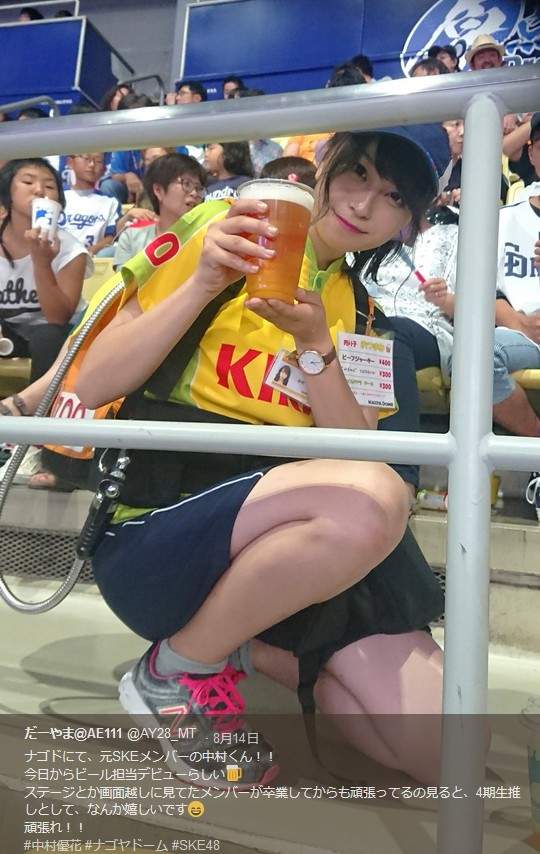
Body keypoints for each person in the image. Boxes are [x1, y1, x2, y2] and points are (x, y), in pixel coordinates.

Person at [66, 123, 450, 787]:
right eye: (358, 173)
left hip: (296, 554)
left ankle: (248, 648)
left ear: (408, 223)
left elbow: (360, 459)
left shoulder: (363, 318)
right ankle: (175, 671)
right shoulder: (226, 228)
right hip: (162, 529)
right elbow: (93, 383)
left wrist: (316, 345)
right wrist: (201, 281)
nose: (364, 204)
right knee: (371, 501)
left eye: (393, 197)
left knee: (442, 750)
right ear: (324, 163)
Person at [0, 158, 90, 382]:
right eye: (28, 182)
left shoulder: (71, 249)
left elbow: (58, 318)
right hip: (8, 336)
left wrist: (42, 263)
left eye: (49, 186)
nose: (39, 190)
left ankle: (38, 404)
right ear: (7, 192)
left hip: (59, 337)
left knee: (47, 336)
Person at [114, 153, 206, 268]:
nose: (194, 193)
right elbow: (123, 279)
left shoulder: (206, 237)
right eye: (186, 184)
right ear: (158, 190)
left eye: (198, 188)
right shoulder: (131, 238)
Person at [62, 153, 121, 255]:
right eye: (86, 158)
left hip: (92, 258)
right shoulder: (58, 196)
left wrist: (91, 251)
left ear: (104, 169)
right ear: (70, 162)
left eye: (98, 161)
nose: (92, 164)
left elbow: (110, 237)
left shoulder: (111, 202)